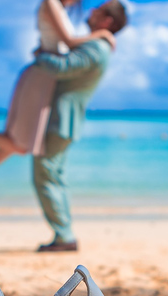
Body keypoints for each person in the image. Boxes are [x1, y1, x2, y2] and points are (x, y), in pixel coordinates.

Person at [0, 0, 116, 208]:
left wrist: (43, 50)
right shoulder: (51, 3)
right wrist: (102, 35)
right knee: (19, 145)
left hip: (46, 79)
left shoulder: (61, 10)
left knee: (12, 143)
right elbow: (68, 41)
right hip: (40, 78)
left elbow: (56, 44)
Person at [30, 0, 128, 252]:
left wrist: (40, 55)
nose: (92, 10)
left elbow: (63, 67)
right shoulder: (97, 44)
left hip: (61, 118)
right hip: (67, 119)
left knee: (46, 175)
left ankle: (64, 236)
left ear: (107, 21)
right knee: (53, 176)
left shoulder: (96, 47)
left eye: (99, 9)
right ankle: (64, 233)